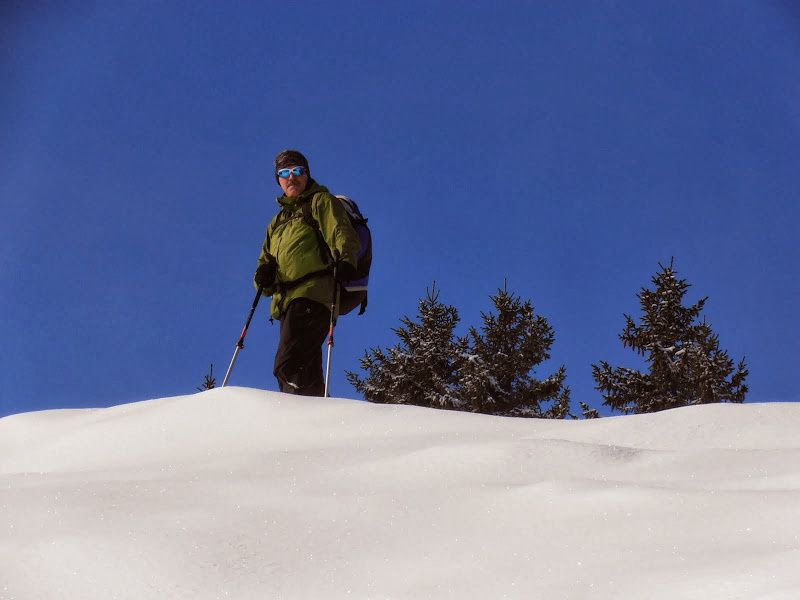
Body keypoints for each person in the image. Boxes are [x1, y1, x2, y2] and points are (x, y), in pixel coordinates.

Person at [254, 149, 361, 396]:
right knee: (303, 364)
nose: (292, 177)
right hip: (287, 300)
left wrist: (345, 260)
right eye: (284, 173)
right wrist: (263, 275)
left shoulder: (321, 201)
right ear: (278, 180)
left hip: (314, 292)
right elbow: (265, 260)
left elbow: (341, 232)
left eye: (297, 171)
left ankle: (300, 415)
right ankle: (317, 420)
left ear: (307, 174)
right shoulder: (278, 221)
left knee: (289, 364)